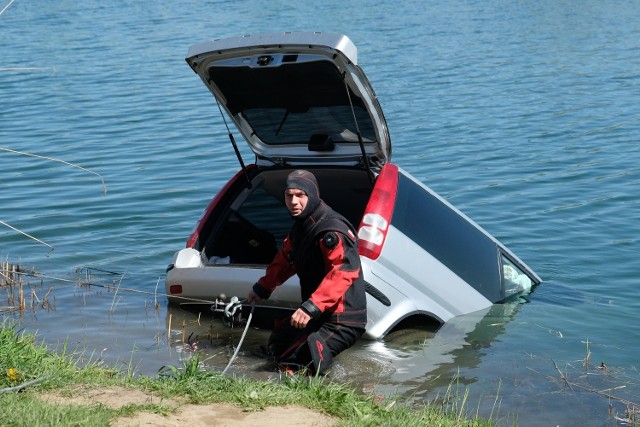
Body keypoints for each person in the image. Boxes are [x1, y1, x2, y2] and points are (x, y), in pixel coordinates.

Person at [246, 170, 367, 374]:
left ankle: (315, 388)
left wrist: (311, 307)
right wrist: (262, 288)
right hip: (319, 314)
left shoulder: (331, 230)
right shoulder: (301, 227)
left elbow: (344, 272)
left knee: (294, 362)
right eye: (289, 195)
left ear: (312, 195)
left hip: (343, 320)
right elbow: (285, 261)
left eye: (300, 195)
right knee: (278, 342)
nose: (293, 201)